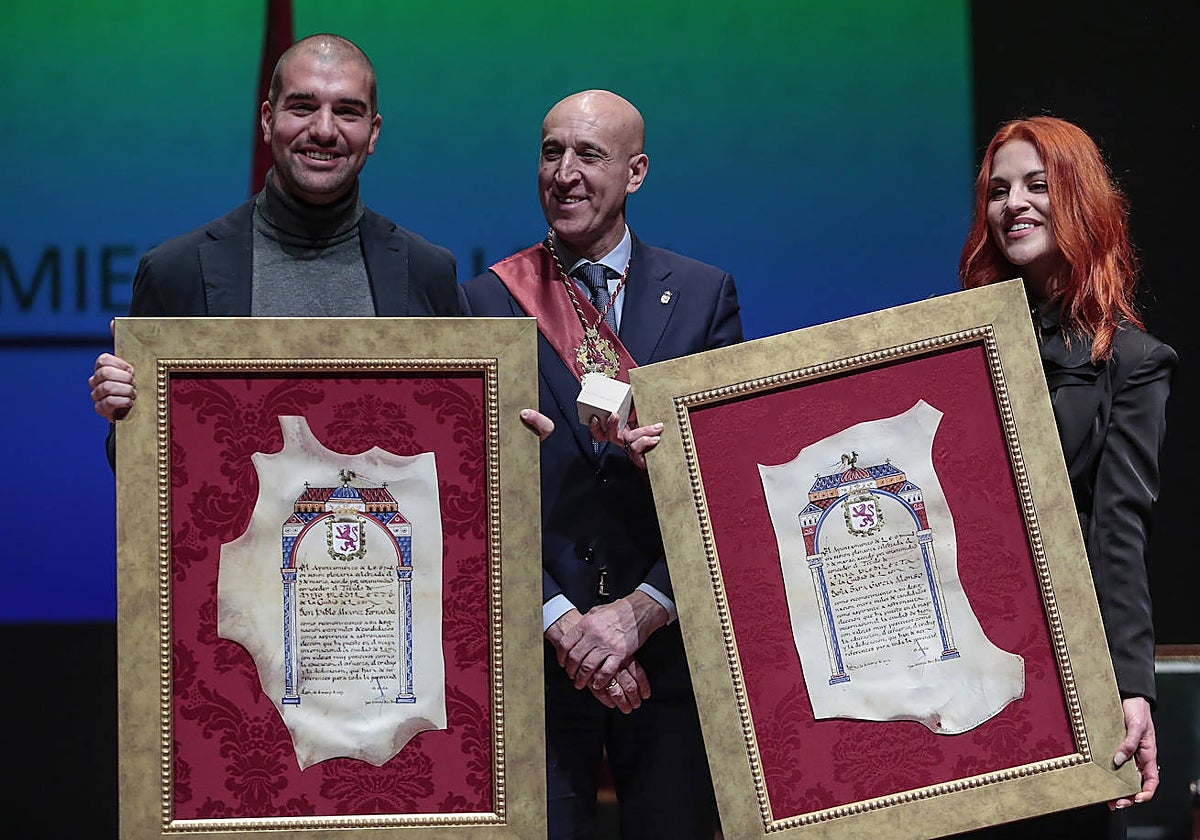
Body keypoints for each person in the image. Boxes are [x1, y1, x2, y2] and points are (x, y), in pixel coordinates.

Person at [462, 90, 742, 839]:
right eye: (552, 152)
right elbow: (470, 499)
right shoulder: (485, 303)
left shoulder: (704, 296)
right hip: (536, 656)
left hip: (672, 657)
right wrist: (565, 626)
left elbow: (726, 484)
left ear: (636, 171)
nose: (565, 173)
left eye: (588, 154)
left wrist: (637, 615)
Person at [88, 33, 461, 466]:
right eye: (302, 107)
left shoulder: (427, 271)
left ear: (373, 132)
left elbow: (455, 452)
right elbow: (141, 474)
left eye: (347, 112)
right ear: (267, 120)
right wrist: (124, 414)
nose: (324, 130)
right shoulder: (177, 270)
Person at [957, 115, 1172, 839]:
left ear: (1079, 199)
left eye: (1037, 185)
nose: (1013, 202)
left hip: (1058, 673)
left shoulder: (1133, 364)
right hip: (956, 657)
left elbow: (1119, 534)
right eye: (998, 190)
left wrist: (1132, 687)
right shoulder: (955, 347)